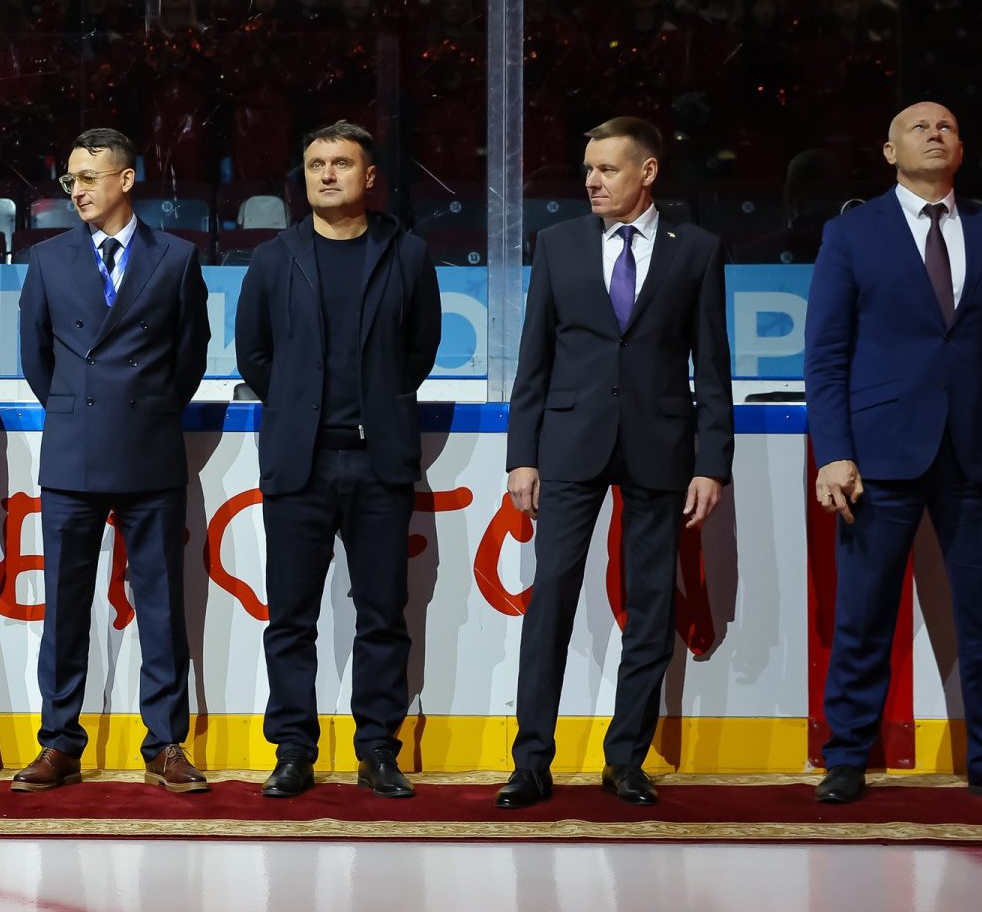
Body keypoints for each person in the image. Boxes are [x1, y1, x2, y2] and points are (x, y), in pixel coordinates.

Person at [806, 101, 982, 808]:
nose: (934, 134)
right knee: (863, 614)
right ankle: (848, 757)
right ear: (888, 152)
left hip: (980, 452)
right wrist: (834, 453)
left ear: (962, 147)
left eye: (946, 126)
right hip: (878, 455)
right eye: (918, 127)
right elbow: (826, 356)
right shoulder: (852, 233)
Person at [497, 116, 732, 810]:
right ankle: (531, 761)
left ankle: (626, 760)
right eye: (589, 168)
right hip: (569, 445)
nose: (592, 180)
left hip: (662, 448)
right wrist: (522, 458)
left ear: (648, 172)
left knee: (652, 605)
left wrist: (711, 462)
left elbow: (713, 371)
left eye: (607, 169)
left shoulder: (698, 251)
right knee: (552, 603)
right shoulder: (558, 244)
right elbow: (533, 361)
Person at [236, 121, 441, 799]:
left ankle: (377, 748)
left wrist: (375, 408)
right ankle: (294, 748)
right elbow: (255, 357)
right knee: (290, 616)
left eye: (342, 163)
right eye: (316, 162)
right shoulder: (273, 259)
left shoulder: (407, 254)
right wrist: (299, 406)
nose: (327, 174)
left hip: (379, 463)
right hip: (300, 464)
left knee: (382, 613)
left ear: (369, 176)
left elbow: (419, 353)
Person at [13, 128, 211, 794]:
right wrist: (75, 408)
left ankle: (165, 745)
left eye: (89, 177)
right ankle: (60, 742)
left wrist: (148, 407)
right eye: (70, 178)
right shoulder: (47, 261)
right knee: (66, 607)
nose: (76, 190)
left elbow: (190, 359)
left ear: (126, 180)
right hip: (71, 455)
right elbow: (36, 361)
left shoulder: (178, 259)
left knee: (159, 607)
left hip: (149, 450)